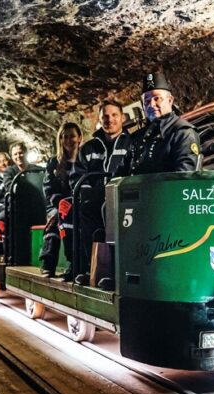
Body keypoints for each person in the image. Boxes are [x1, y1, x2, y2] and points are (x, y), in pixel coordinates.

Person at [69, 99, 132, 289]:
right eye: (105, 116)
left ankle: (116, 272)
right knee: (83, 212)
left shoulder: (132, 144)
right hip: (95, 199)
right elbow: (77, 177)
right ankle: (90, 269)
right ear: (100, 119)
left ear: (122, 117)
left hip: (123, 198)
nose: (110, 120)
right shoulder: (89, 148)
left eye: (114, 115)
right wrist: (89, 196)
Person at [115, 72, 200, 177]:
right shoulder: (138, 137)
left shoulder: (183, 133)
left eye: (157, 98)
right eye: (146, 101)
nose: (151, 105)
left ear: (170, 100)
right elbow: (120, 174)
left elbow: (184, 177)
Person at [39, 123, 82, 280]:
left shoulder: (84, 159)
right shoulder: (54, 162)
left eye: (72, 136)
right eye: (65, 136)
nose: (68, 140)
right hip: (57, 204)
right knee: (57, 216)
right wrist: (60, 202)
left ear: (79, 138)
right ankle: (48, 262)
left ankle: (77, 263)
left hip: (79, 202)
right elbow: (48, 188)